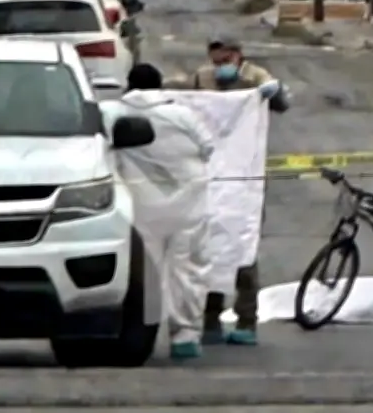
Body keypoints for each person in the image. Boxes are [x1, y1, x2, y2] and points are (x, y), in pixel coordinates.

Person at [164, 35, 290, 346]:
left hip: (245, 175)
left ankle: (247, 319)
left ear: (238, 55)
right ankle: (210, 318)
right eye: (215, 62)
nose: (219, 68)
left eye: (225, 61)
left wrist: (273, 94)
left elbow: (282, 103)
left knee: (243, 244)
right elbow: (184, 99)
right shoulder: (202, 79)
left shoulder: (257, 78)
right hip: (212, 175)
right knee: (210, 245)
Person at [112, 63, 214, 359]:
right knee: (188, 271)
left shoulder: (114, 113)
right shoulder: (183, 115)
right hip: (188, 206)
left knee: (144, 275)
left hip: (140, 207)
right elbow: (208, 148)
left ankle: (143, 335)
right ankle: (185, 337)